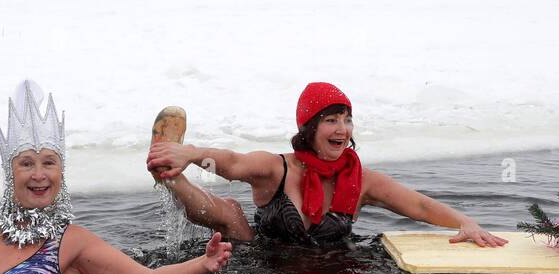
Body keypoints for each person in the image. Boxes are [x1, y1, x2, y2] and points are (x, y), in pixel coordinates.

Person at [0, 80, 231, 274]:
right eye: (26, 164)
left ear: (61, 172)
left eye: (49, 162)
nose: (39, 174)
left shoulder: (72, 242)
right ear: (10, 173)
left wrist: (200, 264)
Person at [146, 81, 508, 249]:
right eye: (332, 120)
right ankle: (171, 173)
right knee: (228, 214)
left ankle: (171, 171)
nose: (342, 130)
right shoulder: (278, 168)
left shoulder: (361, 181)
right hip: (260, 262)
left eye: (347, 120)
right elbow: (233, 163)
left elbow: (418, 205)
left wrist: (466, 223)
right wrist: (191, 154)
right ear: (311, 128)